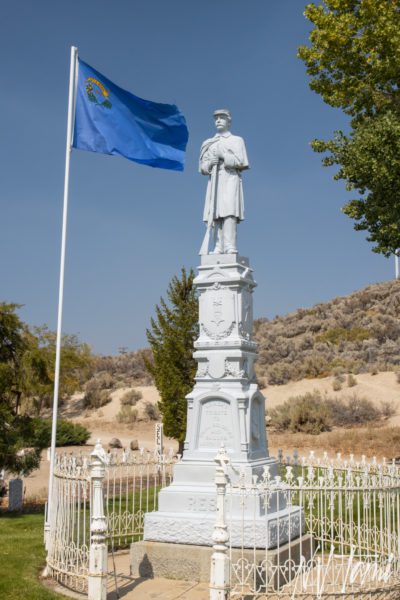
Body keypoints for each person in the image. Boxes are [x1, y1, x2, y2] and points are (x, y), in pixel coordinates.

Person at [199, 109, 249, 254]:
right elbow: (202, 167)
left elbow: (241, 162)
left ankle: (229, 245)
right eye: (216, 118)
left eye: (222, 118)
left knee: (229, 212)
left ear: (229, 121)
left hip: (230, 177)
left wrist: (224, 155)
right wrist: (209, 164)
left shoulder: (237, 140)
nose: (218, 120)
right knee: (215, 214)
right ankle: (218, 246)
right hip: (215, 179)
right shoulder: (209, 143)